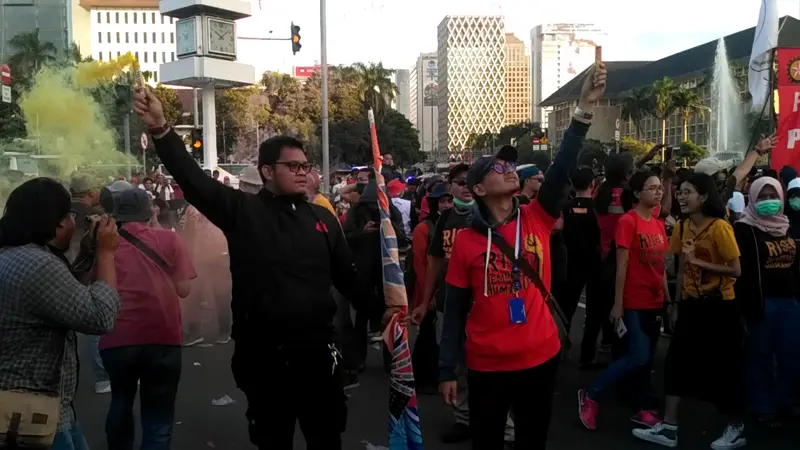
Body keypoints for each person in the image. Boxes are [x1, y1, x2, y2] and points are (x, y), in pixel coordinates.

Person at [134, 88, 378, 450]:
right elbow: (193, 181)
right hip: (265, 359)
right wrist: (161, 130)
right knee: (272, 439)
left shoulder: (323, 218)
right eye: (292, 166)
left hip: (318, 356)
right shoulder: (243, 212)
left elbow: (349, 280)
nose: (302, 173)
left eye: (305, 166)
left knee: (326, 439)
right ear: (266, 171)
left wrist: (386, 313)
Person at [439, 61, 606, 450]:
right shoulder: (466, 241)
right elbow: (455, 312)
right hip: (487, 365)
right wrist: (448, 369)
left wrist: (582, 110)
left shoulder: (538, 216)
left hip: (539, 357)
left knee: (532, 440)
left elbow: (563, 164)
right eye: (498, 167)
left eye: (510, 163)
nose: (509, 168)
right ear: (478, 189)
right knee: (487, 441)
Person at [0, 178, 121, 450]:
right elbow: (101, 317)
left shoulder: (17, 254)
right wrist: (106, 254)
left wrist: (87, 253)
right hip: (33, 415)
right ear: (52, 222)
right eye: (67, 216)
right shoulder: (37, 264)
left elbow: (64, 297)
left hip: (37, 408)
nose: (72, 223)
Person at [634, 173, 745, 450]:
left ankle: (736, 427)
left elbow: (735, 270)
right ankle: (670, 427)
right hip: (691, 305)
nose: (681, 197)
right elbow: (681, 266)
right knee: (676, 363)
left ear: (704, 197)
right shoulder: (683, 226)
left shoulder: (720, 227)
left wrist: (699, 262)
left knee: (723, 367)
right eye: (680, 192)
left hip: (720, 306)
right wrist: (677, 302)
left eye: (688, 192)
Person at [100, 188, 196, 450]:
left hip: (117, 336)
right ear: (149, 212)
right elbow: (184, 290)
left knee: (120, 399)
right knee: (158, 415)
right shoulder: (170, 240)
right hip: (163, 336)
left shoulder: (104, 245)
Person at [578, 170, 669, 430]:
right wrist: (618, 304)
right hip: (633, 301)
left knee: (646, 358)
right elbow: (622, 266)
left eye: (659, 187)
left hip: (655, 301)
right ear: (638, 193)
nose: (658, 191)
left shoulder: (658, 223)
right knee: (638, 356)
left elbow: (660, 265)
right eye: (652, 188)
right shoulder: (629, 222)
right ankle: (592, 394)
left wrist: (668, 299)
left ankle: (642, 407)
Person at [733, 177, 800, 427]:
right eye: (762, 197)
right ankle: (763, 407)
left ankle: (786, 403)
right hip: (761, 303)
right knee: (759, 356)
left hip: (790, 302)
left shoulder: (787, 225)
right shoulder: (744, 228)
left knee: (791, 356)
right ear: (752, 198)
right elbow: (741, 271)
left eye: (773, 196)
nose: (768, 202)